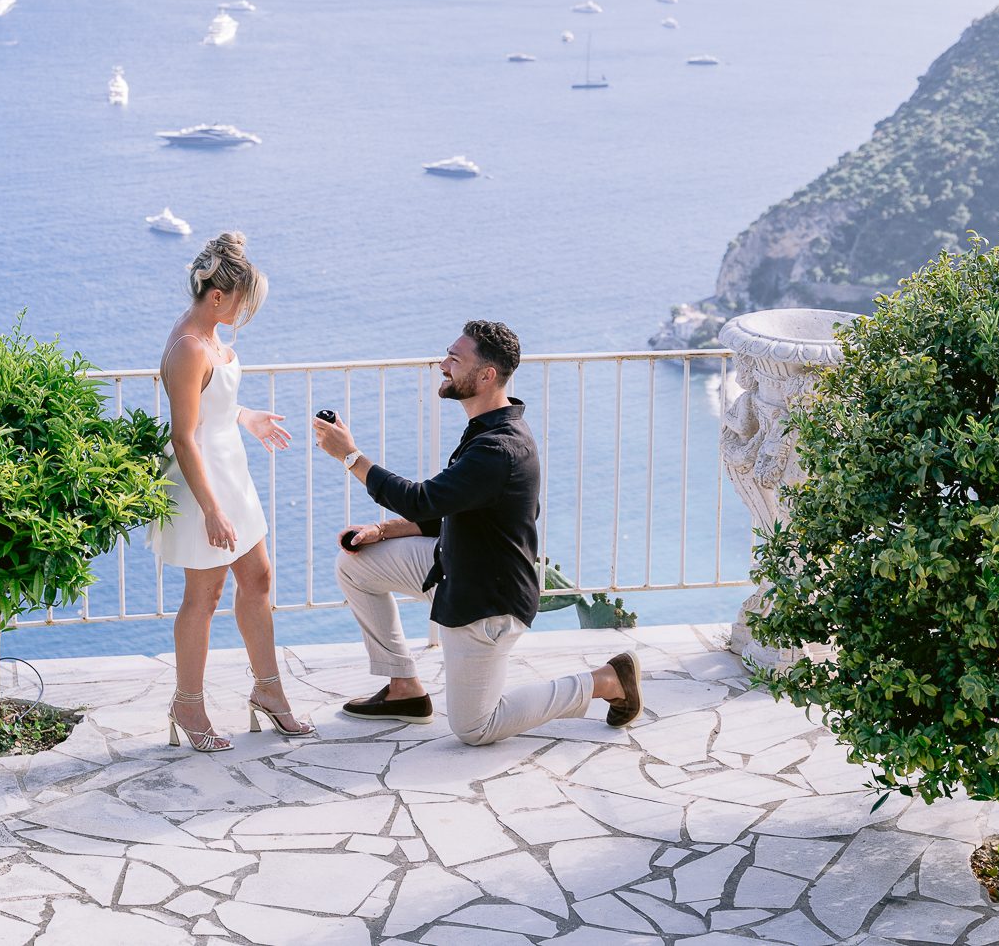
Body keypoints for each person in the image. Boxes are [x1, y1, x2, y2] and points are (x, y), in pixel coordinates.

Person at [311, 320, 642, 745]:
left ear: (486, 375)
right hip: (453, 566)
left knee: (474, 728)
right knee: (356, 564)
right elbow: (453, 506)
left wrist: (350, 455)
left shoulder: (498, 449)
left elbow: (421, 500)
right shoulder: (488, 429)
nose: (442, 365)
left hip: (486, 600)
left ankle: (607, 680)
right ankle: (403, 688)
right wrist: (385, 529)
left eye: (454, 359)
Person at [147, 232, 314, 751]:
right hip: (203, 481)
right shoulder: (188, 348)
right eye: (242, 301)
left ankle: (268, 691)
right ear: (217, 295)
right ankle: (187, 703)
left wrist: (245, 416)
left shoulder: (210, 335)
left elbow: (209, 406)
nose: (244, 312)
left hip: (231, 470)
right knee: (204, 596)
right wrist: (211, 510)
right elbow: (183, 436)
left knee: (258, 578)